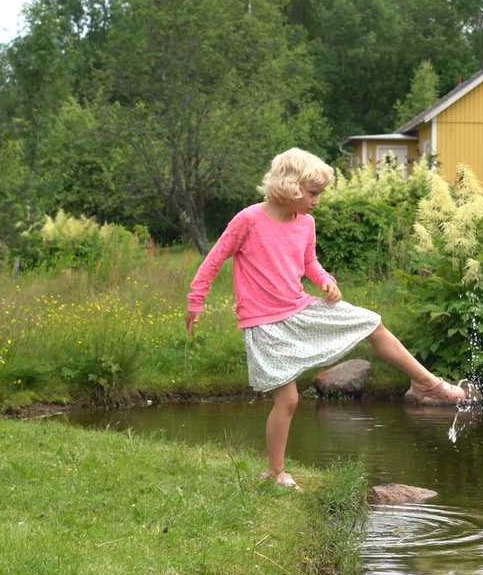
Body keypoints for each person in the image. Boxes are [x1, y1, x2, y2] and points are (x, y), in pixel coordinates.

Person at [185, 148, 466, 490]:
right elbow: (214, 260)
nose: (317, 201)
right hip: (264, 323)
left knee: (372, 322)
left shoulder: (306, 224)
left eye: (319, 193)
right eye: (313, 193)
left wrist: (326, 282)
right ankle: (275, 472)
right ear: (291, 186)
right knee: (288, 400)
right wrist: (196, 300)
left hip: (301, 309)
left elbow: (310, 264)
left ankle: (427, 383)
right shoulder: (248, 220)